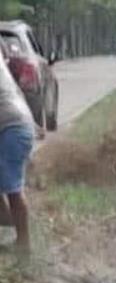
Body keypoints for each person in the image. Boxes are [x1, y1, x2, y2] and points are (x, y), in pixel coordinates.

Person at [0, 45, 36, 255]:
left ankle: (24, 245)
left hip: (12, 128)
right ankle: (12, 222)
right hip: (15, 125)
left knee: (13, 189)